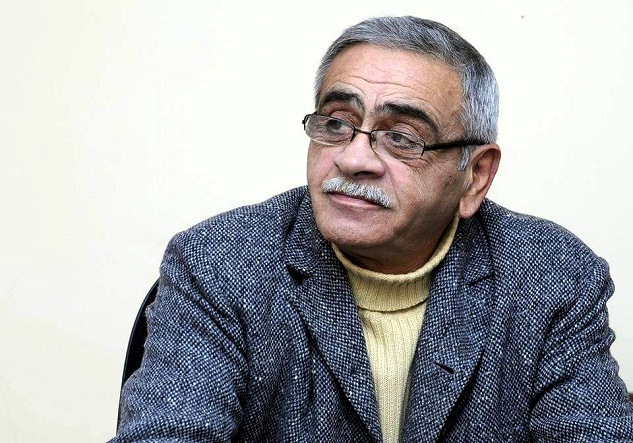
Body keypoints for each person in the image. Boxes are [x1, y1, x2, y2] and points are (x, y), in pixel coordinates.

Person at [111, 16, 633, 442]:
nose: (353, 158)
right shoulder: (219, 262)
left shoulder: (552, 274)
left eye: (402, 137)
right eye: (337, 123)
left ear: (475, 175)